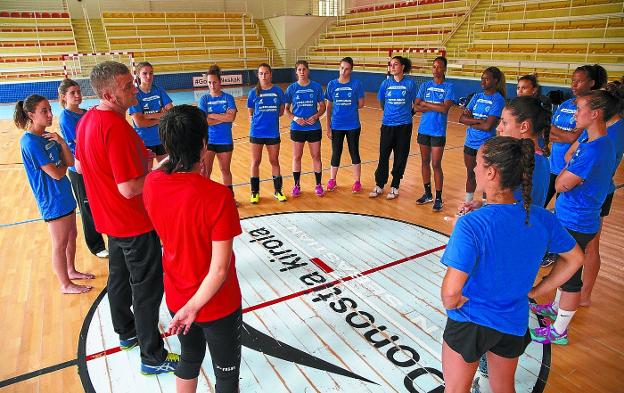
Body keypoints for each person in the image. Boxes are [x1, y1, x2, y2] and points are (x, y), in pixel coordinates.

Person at [441, 136, 583, 393]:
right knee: (504, 388)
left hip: (470, 320)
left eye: (478, 164)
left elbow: (451, 294)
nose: (474, 168)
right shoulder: (541, 218)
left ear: (491, 173)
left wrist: (454, 302)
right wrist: (538, 290)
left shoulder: (471, 225)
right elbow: (575, 258)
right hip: (513, 319)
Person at [75, 61, 179, 374]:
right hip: (133, 222)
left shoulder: (89, 118)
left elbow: (80, 167)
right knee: (147, 289)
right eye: (126, 87)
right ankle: (152, 356)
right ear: (108, 93)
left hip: (109, 219)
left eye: (132, 82)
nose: (133, 89)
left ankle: (127, 331)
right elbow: (129, 188)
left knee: (119, 280)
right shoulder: (115, 128)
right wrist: (163, 171)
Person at [144, 105, 242, 393]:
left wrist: (186, 308)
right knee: (225, 375)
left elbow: (164, 167)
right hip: (216, 304)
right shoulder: (218, 197)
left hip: (177, 296)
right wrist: (194, 308)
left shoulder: (152, 183)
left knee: (189, 359)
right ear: (203, 144)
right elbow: (220, 269)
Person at [530, 90, 617, 345]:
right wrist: (568, 173)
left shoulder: (594, 150)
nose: (575, 114)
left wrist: (567, 176)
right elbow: (568, 159)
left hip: (578, 221)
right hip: (574, 216)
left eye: (579, 110)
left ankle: (559, 331)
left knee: (570, 277)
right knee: (563, 267)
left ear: (595, 114)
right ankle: (555, 309)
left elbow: (561, 184)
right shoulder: (597, 142)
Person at [15, 94, 93, 294]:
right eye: (44, 111)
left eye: (50, 109)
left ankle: (71, 270)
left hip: (64, 194)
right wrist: (61, 166)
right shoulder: (30, 142)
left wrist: (63, 143)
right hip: (52, 199)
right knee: (59, 243)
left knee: (72, 235)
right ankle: (65, 284)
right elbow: (57, 173)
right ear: (31, 115)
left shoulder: (48, 137)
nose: (50, 114)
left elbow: (68, 163)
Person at [579, 81, 624, 306]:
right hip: (591, 191)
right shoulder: (608, 127)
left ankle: (584, 294)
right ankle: (580, 293)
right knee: (587, 245)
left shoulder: (611, 133)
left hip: (595, 194)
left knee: (590, 245)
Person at [544, 64, 607, 207]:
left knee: (561, 208)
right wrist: (562, 135)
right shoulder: (565, 104)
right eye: (573, 80)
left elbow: (572, 138)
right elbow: (549, 132)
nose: (574, 84)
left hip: (569, 170)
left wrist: (556, 132)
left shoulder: (588, 110)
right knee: (538, 205)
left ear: (591, 83)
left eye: (579, 81)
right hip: (552, 165)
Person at [57, 79, 108, 258]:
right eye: (73, 93)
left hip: (96, 167)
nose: (78, 95)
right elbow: (83, 142)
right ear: (64, 97)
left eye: (78, 91)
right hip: (79, 170)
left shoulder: (86, 113)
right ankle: (96, 245)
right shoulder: (66, 118)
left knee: (102, 203)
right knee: (87, 207)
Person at [369, 55, 418, 200]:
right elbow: (382, 102)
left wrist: (408, 114)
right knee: (383, 155)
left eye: (395, 64)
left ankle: (395, 185)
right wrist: (390, 114)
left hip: (404, 126)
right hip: (387, 125)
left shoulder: (410, 84)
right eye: (391, 65)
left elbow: (416, 103)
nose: (392, 67)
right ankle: (379, 184)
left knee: (400, 156)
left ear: (402, 67)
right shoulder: (386, 84)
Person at [413, 56, 455, 211]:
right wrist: (433, 105)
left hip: (438, 131)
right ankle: (427, 193)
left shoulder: (449, 87)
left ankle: (438, 197)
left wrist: (425, 103)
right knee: (424, 162)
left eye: (439, 67)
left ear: (444, 69)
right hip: (424, 129)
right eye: (434, 66)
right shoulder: (425, 85)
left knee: (436, 164)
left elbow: (445, 109)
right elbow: (416, 107)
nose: (435, 69)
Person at [458, 66, 506, 203]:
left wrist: (471, 120)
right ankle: (467, 204)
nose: (483, 82)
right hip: (470, 142)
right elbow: (461, 118)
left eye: (486, 79)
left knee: (486, 177)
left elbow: (488, 126)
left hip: (486, 145)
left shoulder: (498, 100)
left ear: (495, 81)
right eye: (482, 78)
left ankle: (485, 205)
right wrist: (479, 120)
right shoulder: (477, 96)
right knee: (470, 174)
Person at [285, 60, 326, 197]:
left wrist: (316, 116)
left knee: (316, 156)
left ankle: (318, 184)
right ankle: (296, 185)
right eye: (299, 70)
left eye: (304, 69)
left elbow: (323, 107)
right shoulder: (291, 89)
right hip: (297, 128)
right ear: (296, 72)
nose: (302, 72)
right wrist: (296, 119)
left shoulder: (316, 87)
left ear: (308, 70)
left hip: (313, 128)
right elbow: (286, 110)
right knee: (297, 156)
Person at [247, 63, 287, 203]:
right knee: (255, 161)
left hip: (273, 133)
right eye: (261, 73)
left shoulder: (278, 91)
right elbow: (251, 112)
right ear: (258, 75)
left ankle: (278, 191)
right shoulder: (253, 92)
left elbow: (282, 110)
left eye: (266, 73)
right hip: (257, 132)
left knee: (274, 161)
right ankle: (254, 192)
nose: (263, 76)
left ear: (271, 74)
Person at [324, 57, 365, 193]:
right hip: (336, 125)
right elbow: (328, 107)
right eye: (342, 68)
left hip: (353, 125)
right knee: (336, 152)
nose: (343, 71)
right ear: (339, 67)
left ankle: (357, 181)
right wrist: (328, 127)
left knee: (354, 152)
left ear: (351, 70)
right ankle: (332, 180)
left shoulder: (357, 84)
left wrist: (348, 108)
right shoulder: (332, 84)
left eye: (346, 69)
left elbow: (361, 104)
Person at [197, 65, 238, 202]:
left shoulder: (228, 98)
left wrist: (212, 115)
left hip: (225, 140)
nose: (212, 85)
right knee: (206, 172)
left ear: (220, 82)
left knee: (225, 170)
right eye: (209, 82)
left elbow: (231, 118)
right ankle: (206, 200)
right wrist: (222, 116)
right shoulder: (204, 99)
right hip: (208, 142)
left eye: (214, 82)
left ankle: (230, 198)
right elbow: (204, 121)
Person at [129, 61, 173, 162]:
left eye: (151, 73)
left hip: (162, 138)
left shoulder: (159, 90)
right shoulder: (135, 94)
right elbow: (139, 123)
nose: (148, 76)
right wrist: (162, 117)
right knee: (146, 174)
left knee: (165, 172)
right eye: (145, 73)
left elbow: (171, 113)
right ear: (138, 75)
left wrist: (147, 116)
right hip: (144, 141)